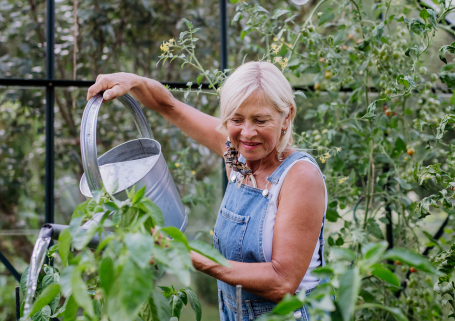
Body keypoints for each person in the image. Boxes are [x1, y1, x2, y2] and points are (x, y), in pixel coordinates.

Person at [87, 61, 328, 321]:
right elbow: (170, 106)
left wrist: (188, 255)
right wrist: (135, 81)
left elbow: (282, 282)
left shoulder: (299, 176)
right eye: (236, 119)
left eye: (260, 120)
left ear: (287, 116)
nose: (247, 133)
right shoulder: (237, 156)